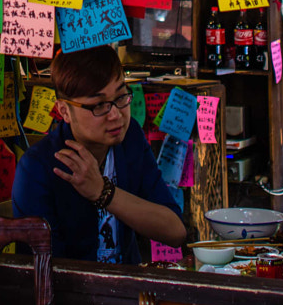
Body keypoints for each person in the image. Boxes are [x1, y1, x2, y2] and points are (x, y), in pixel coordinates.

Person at [12, 46, 188, 265]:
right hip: (73, 297)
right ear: (64, 110)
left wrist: (104, 193)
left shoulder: (130, 137)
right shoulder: (38, 167)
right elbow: (45, 272)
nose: (115, 115)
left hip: (129, 289)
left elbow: (175, 231)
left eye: (121, 96)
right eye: (98, 105)